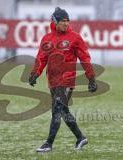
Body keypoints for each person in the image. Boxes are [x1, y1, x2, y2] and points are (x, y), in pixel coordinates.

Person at [29, 7, 97, 152]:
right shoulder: (47, 39)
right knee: (64, 111)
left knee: (57, 110)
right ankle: (80, 137)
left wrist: (91, 78)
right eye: (62, 21)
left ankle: (48, 144)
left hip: (67, 80)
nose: (66, 24)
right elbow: (41, 58)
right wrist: (35, 73)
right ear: (55, 21)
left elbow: (85, 58)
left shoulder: (75, 38)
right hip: (53, 81)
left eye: (68, 21)